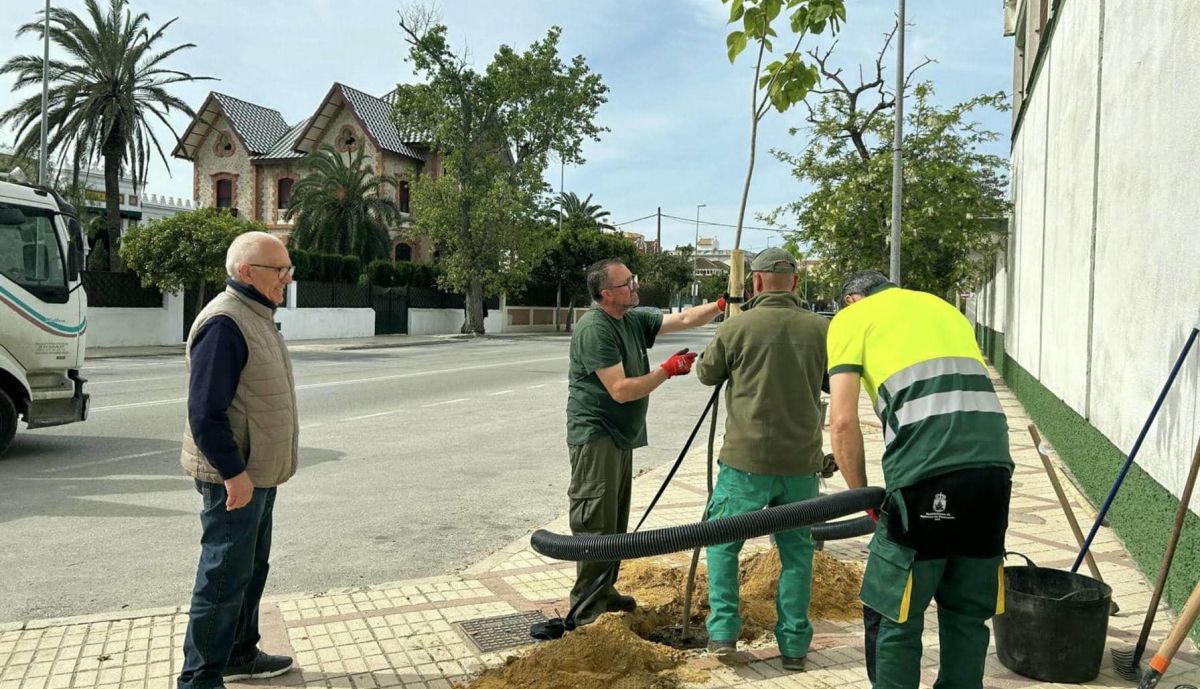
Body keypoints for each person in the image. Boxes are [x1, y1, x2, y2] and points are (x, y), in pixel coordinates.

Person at [826, 270, 1014, 689]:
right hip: (993, 473)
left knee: (894, 611)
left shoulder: (852, 317)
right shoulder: (944, 308)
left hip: (925, 474)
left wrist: (863, 497)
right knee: (967, 612)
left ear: (852, 299)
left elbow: (841, 422)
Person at [565, 258, 725, 625]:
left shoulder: (632, 319)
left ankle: (604, 591)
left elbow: (684, 319)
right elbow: (621, 390)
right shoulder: (595, 328)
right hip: (597, 435)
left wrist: (721, 304)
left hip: (619, 436)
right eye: (627, 283)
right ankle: (587, 610)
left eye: (632, 279)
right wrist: (666, 371)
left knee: (615, 520)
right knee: (595, 521)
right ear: (607, 294)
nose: (635, 286)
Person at [693, 247, 829, 671]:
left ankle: (723, 634)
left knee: (722, 544)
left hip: (745, 463)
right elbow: (833, 382)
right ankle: (794, 647)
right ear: (795, 282)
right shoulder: (821, 329)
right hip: (801, 464)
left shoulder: (736, 326)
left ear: (755, 282)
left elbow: (706, 373)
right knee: (797, 554)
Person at [177, 232, 299, 689]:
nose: (287, 279)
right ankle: (199, 680)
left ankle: (239, 653)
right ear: (246, 272)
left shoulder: (255, 315)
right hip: (237, 476)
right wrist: (234, 474)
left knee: (249, 569)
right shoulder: (225, 323)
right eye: (279, 270)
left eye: (288, 269)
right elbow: (205, 413)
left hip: (258, 472)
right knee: (223, 578)